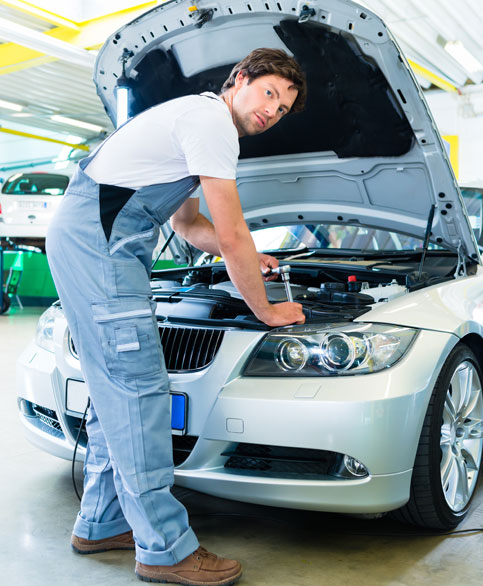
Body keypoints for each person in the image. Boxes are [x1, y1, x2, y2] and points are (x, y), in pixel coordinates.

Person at [46, 48, 306, 585]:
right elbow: (231, 233)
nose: (272, 111)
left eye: (282, 109)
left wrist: (248, 260)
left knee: (115, 390)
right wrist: (267, 309)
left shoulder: (195, 119)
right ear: (240, 80)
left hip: (94, 240)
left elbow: (191, 226)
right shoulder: (212, 123)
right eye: (269, 94)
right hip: (101, 247)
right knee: (140, 388)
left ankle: (101, 522)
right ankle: (166, 549)